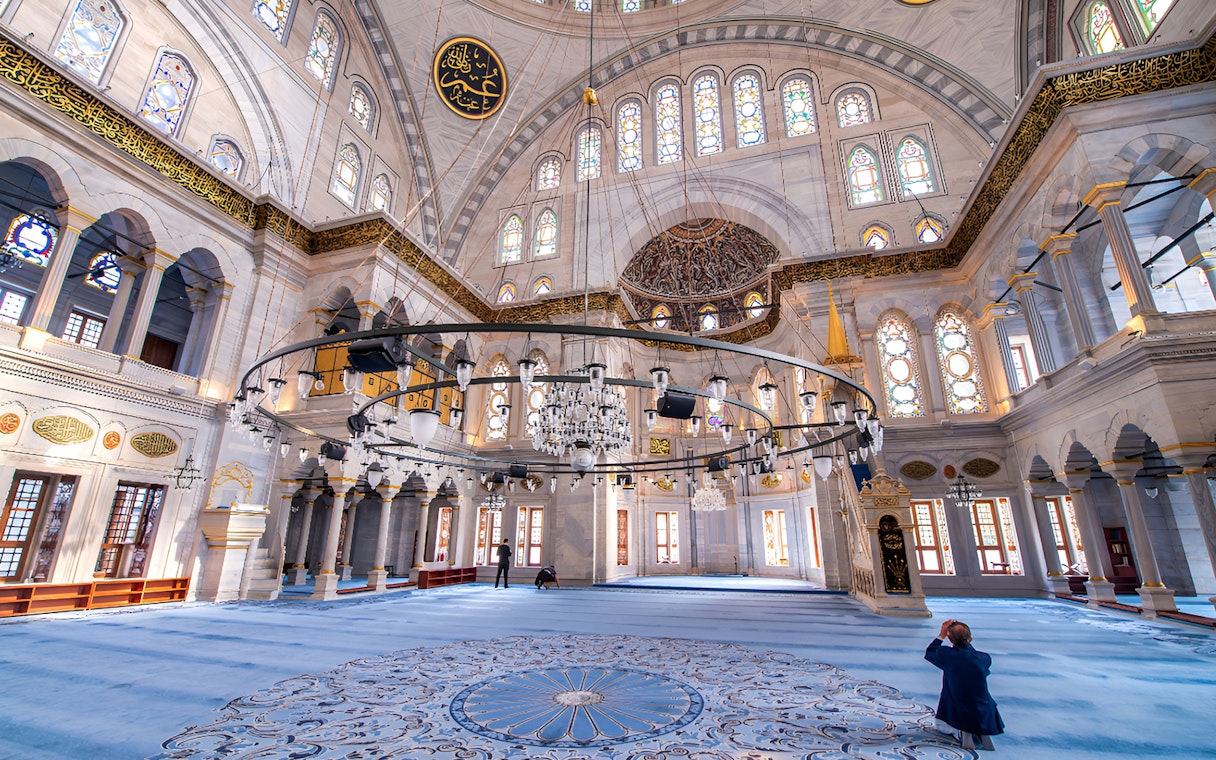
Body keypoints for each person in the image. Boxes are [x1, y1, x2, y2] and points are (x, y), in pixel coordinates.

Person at [924, 618, 1004, 751]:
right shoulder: (985, 658)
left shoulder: (947, 655)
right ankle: (974, 731)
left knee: (941, 725)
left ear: (950, 640)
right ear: (970, 638)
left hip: (958, 709)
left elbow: (930, 652)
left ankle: (961, 731)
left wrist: (941, 635)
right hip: (984, 710)